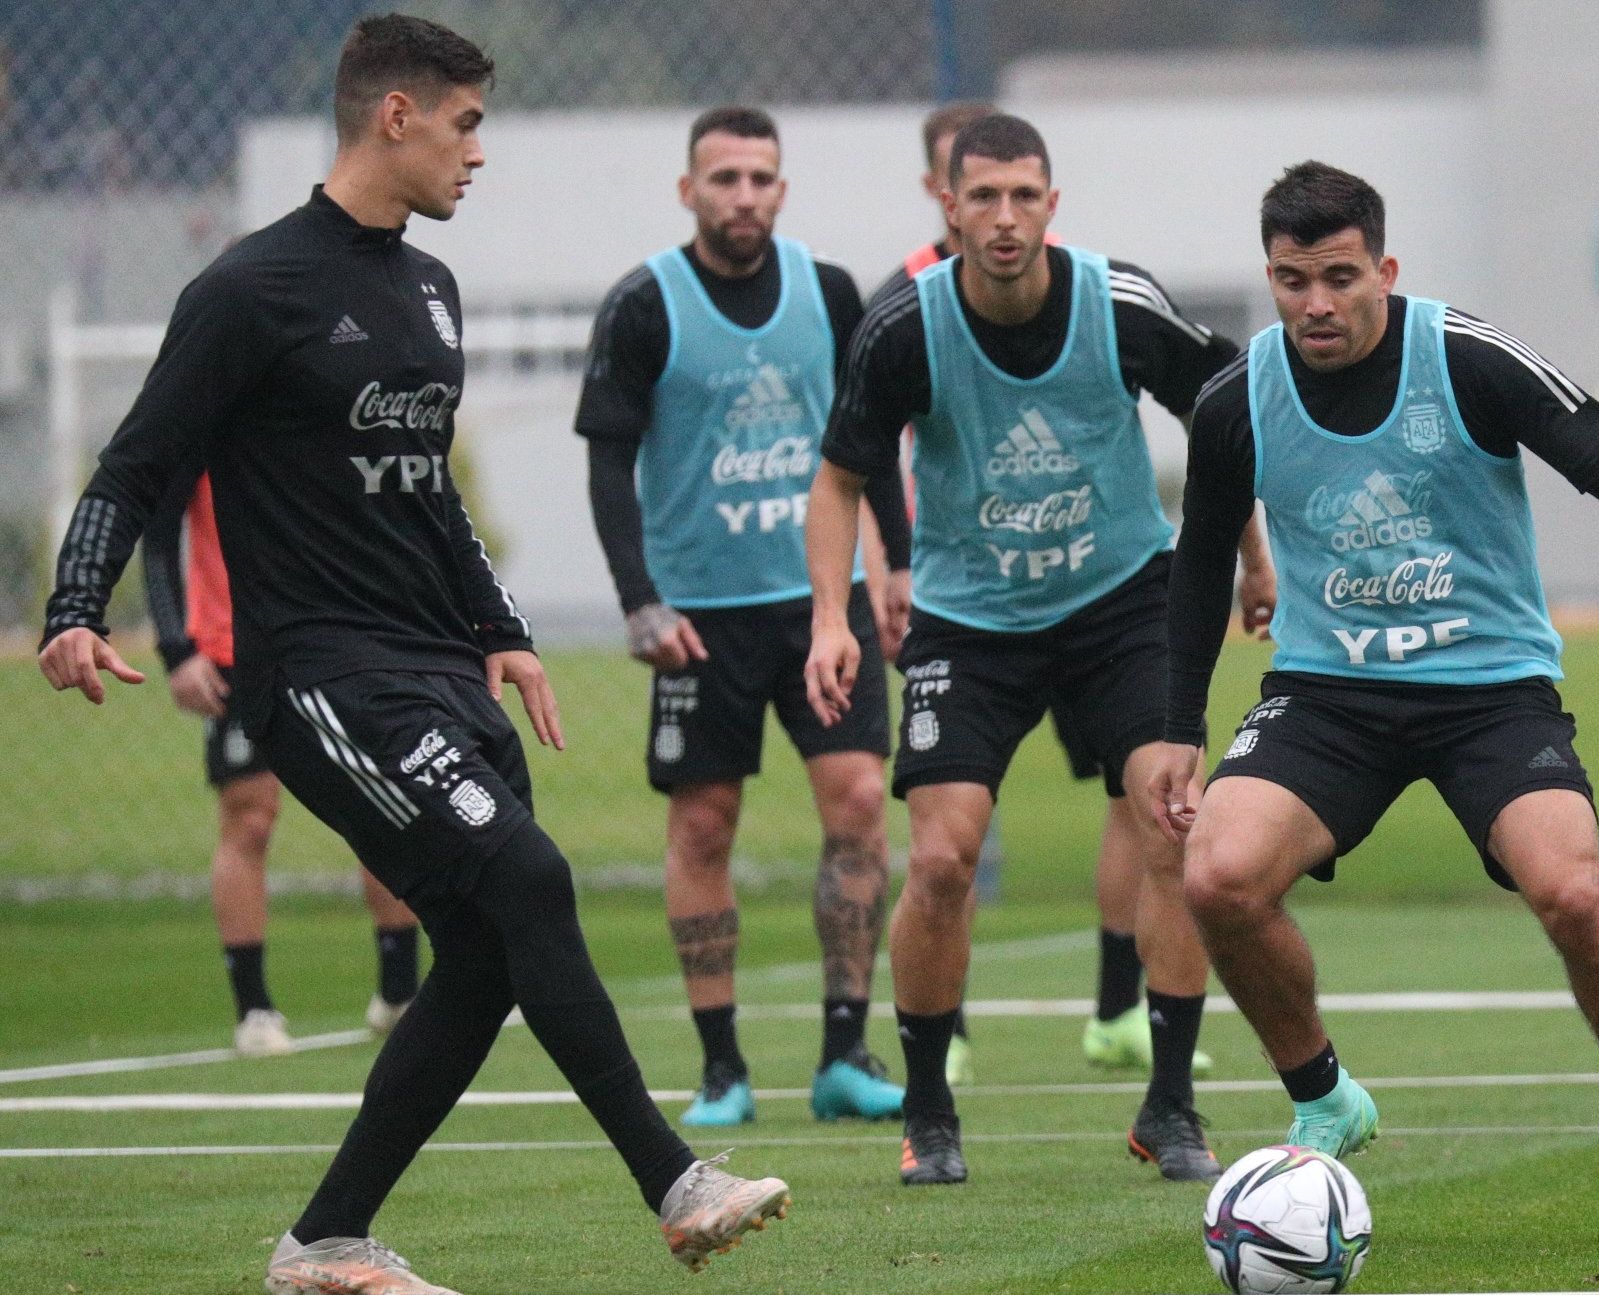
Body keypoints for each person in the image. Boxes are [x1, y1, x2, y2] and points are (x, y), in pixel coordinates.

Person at [39, 16, 790, 1291]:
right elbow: (138, 462)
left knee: (490, 950)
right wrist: (74, 602)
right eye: (466, 123)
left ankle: (326, 1239)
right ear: (397, 116)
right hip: (323, 679)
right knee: (533, 880)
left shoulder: (427, 287)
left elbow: (425, 493)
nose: (477, 152)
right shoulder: (247, 289)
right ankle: (675, 1177)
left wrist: (501, 630)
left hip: (439, 665)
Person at [1148, 160, 1599, 1248]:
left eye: (1338, 276)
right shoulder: (1236, 398)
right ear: (1269, 278)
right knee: (1219, 873)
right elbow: (1197, 568)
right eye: (1290, 280)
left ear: (1385, 268)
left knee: (1570, 890)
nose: (1315, 303)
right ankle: (1324, 1095)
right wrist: (1180, 727)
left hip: (1490, 687)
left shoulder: (1468, 357)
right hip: (1329, 692)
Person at [807, 113, 1266, 1187]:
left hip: (1121, 600)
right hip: (971, 618)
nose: (1005, 218)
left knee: (1172, 821)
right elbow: (837, 479)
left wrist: (1250, 551)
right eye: (984, 199)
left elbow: (1228, 405)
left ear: (1052, 206)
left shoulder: (1119, 303)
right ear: (949, 208)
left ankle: (1171, 1103)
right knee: (944, 855)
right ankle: (930, 1105)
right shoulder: (904, 328)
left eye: (1024, 197)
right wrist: (834, 615)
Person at [575, 105, 909, 1129]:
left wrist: (895, 567)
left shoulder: (832, 291)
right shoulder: (644, 304)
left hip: (824, 605)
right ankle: (722, 1067)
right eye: (724, 179)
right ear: (689, 191)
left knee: (858, 800)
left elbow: (871, 434)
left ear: (782, 188)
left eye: (761, 177)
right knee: (703, 822)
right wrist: (639, 602)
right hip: (701, 618)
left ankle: (844, 1052)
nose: (744, 196)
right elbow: (607, 462)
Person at [142, 469, 422, 1056]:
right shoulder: (200, 402)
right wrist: (176, 647)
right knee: (249, 817)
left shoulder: (327, 394)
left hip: (342, 644)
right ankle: (254, 1009)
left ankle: (400, 992)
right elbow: (159, 527)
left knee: (382, 803)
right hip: (235, 651)